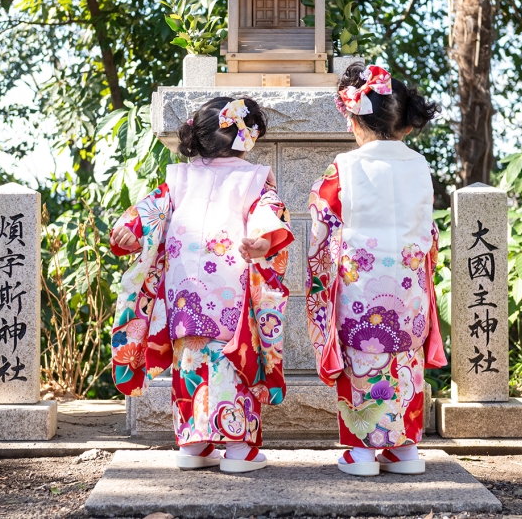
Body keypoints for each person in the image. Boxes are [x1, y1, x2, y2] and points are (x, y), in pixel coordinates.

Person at [109, 96, 294, 473]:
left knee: (190, 359)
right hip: (231, 288)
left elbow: (147, 212)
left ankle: (194, 444)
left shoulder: (178, 178)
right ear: (248, 138)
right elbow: (267, 213)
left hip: (184, 294)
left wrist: (129, 232)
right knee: (234, 356)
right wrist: (261, 242)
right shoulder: (253, 178)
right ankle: (240, 449)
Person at [306, 63, 447, 477]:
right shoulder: (419, 166)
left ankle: (361, 452)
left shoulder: (343, 169)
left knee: (362, 358)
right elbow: (430, 230)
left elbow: (322, 220)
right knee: (405, 358)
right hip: (408, 284)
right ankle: (404, 450)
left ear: (353, 118)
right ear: (400, 121)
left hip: (360, 286)